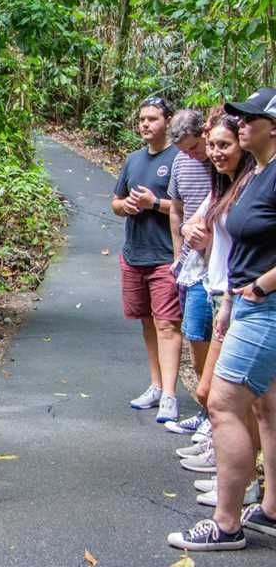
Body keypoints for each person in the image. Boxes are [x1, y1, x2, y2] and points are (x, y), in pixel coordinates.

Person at [168, 87, 276, 550]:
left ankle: (227, 522)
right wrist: (233, 299)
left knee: (222, 405)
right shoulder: (257, 174)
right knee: (267, 410)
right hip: (246, 302)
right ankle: (271, 511)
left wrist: (260, 287)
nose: (241, 124)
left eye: (250, 118)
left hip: (265, 307)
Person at [172, 111, 259, 502]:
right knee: (243, 402)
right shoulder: (225, 184)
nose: (214, 152)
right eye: (212, 146)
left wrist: (254, 288)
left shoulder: (253, 184)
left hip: (244, 297)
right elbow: (200, 224)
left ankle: (237, 486)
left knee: (223, 397)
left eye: (224, 144)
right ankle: (239, 478)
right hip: (223, 292)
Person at [111, 97, 183, 422]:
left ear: (167, 121)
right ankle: (155, 385)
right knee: (147, 322)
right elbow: (115, 201)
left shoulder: (180, 158)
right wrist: (125, 205)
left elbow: (190, 205)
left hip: (165, 255)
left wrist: (156, 203)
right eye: (141, 119)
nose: (145, 124)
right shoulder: (133, 160)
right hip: (134, 253)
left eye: (152, 119)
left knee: (167, 323)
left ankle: (170, 394)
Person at [165, 109, 212, 434]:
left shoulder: (223, 161)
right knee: (196, 338)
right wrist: (177, 254)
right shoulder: (182, 162)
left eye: (195, 147)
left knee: (207, 338)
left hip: (218, 265)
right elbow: (176, 209)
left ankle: (215, 416)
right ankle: (208, 414)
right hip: (191, 264)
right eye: (184, 151)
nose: (192, 155)